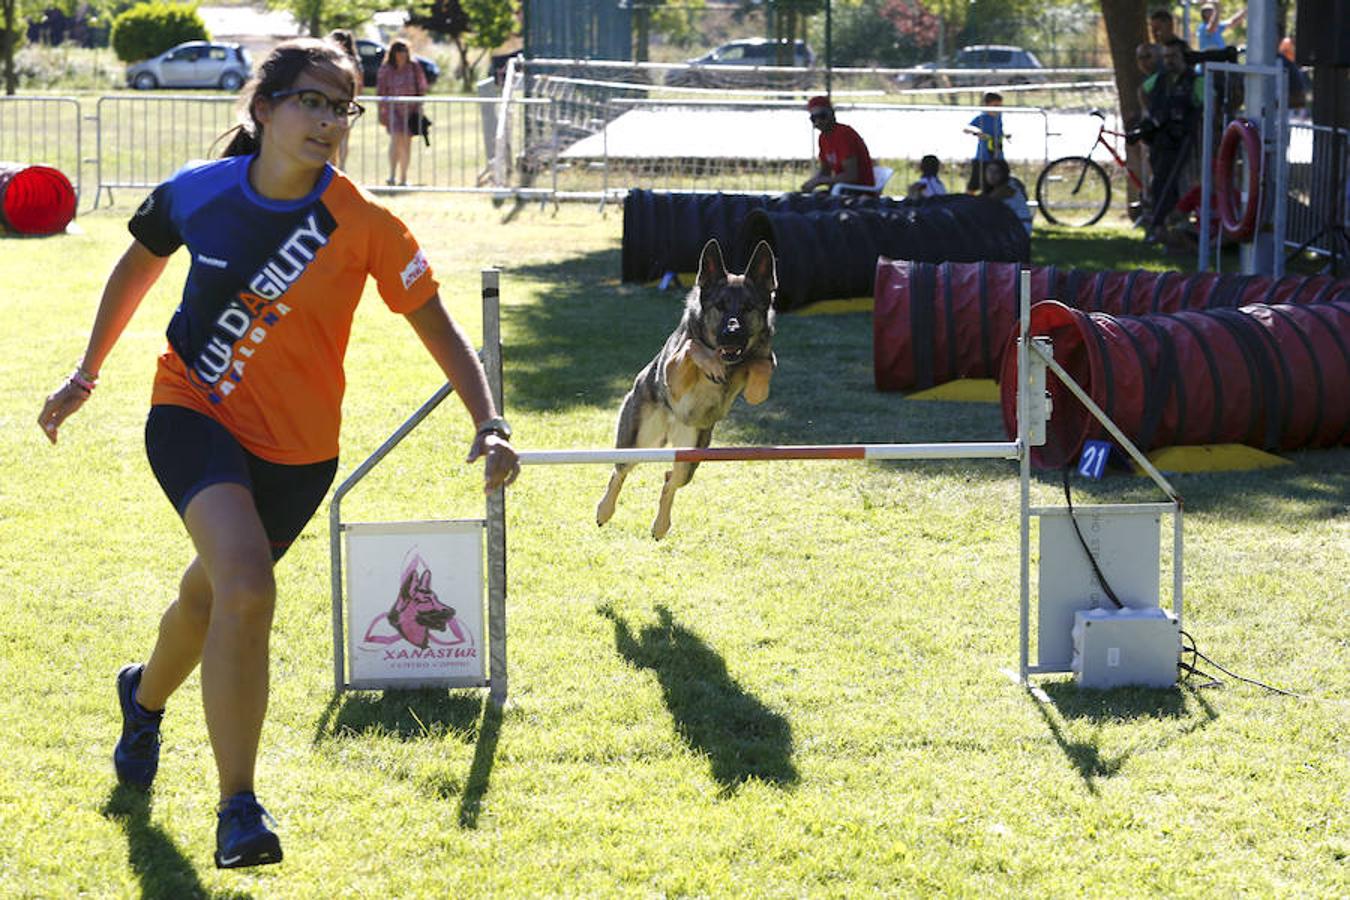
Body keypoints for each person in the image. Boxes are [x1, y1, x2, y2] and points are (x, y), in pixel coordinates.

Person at [35, 38, 520, 870]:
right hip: (193, 408)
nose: (330, 122)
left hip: (301, 455)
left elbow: (437, 323)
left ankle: (142, 699)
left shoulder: (363, 220)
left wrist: (490, 418)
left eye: (343, 108)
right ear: (263, 108)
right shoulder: (198, 192)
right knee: (248, 587)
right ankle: (238, 808)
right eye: (313, 102)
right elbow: (135, 269)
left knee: (213, 594)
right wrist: (87, 372)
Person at [1141, 37, 1204, 236]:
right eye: (1166, 56)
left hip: (1184, 140)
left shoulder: (1196, 80)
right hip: (1159, 140)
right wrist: (1148, 115)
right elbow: (1142, 91)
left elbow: (1208, 106)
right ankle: (1161, 226)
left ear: (1184, 57)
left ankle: (1177, 226)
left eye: (1174, 56)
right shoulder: (1160, 78)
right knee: (1160, 182)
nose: (1169, 61)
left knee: (1180, 184)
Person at [376, 38, 427, 187]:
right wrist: (381, 111)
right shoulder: (386, 68)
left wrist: (420, 105)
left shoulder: (414, 66)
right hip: (393, 109)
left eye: (404, 50)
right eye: (399, 51)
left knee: (406, 142)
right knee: (395, 140)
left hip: (411, 109)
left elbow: (422, 86)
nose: (402, 54)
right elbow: (380, 90)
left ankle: (403, 177)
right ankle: (391, 175)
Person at [799, 96, 876, 193]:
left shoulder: (843, 133)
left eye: (822, 116)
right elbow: (825, 171)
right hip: (842, 189)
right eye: (814, 118)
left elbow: (851, 176)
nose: (818, 122)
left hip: (859, 191)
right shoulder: (823, 137)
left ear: (831, 114)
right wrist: (811, 182)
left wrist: (819, 181)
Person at [325, 29, 360, 169]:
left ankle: (338, 167)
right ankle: (338, 167)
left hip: (340, 103)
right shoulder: (353, 61)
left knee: (338, 136)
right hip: (342, 103)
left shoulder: (334, 60)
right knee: (340, 137)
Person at [963, 91, 1008, 194]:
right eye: (995, 106)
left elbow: (998, 130)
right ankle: (966, 202)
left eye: (1000, 106)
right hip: (983, 158)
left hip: (998, 156)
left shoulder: (999, 116)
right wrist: (977, 131)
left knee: (998, 184)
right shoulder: (982, 117)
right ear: (987, 105)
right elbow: (967, 128)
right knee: (974, 184)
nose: (998, 109)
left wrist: (1005, 135)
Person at [980, 158, 1033, 236]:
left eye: (996, 172)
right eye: (989, 171)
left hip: (1019, 228)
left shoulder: (1008, 188)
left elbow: (984, 204)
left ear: (1003, 173)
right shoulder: (1010, 184)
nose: (992, 175)